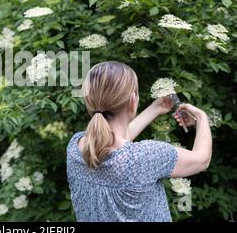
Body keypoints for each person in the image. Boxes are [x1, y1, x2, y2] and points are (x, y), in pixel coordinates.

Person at [66, 61, 212, 222]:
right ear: (132, 99)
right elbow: (202, 160)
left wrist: (155, 109)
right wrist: (201, 117)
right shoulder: (145, 156)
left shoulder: (76, 147)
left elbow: (116, 144)